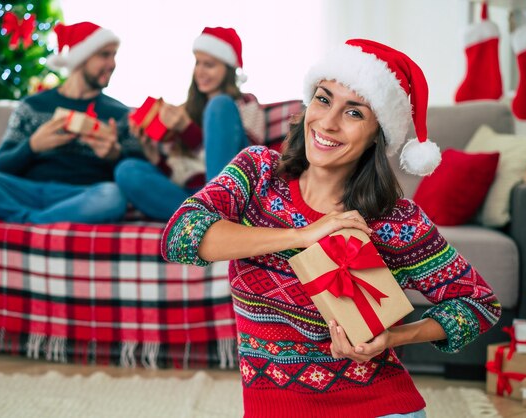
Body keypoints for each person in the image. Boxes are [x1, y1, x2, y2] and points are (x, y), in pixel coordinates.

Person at [161, 39, 500, 417]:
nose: (328, 122)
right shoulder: (257, 172)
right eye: (323, 99)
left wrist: (394, 336)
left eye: (354, 113)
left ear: (377, 134)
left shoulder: (395, 219)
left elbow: (479, 305)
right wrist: (304, 235)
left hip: (380, 406)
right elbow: (180, 237)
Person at [0, 21, 142, 224]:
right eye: (104, 55)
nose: (112, 64)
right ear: (81, 58)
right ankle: (33, 219)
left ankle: (26, 221)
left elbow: (138, 177)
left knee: (113, 196)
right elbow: (0, 165)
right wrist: (33, 146)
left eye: (114, 56)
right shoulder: (32, 106)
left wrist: (115, 155)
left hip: (80, 196)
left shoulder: (119, 114)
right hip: (23, 191)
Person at [115, 26, 264, 221]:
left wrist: (187, 130)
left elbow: (248, 161)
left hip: (230, 193)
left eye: (209, 65)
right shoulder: (186, 110)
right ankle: (200, 221)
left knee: (218, 105)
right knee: (127, 170)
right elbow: (179, 173)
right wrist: (154, 156)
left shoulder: (244, 104)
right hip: (190, 197)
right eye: (198, 63)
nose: (200, 72)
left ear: (227, 69)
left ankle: (215, 213)